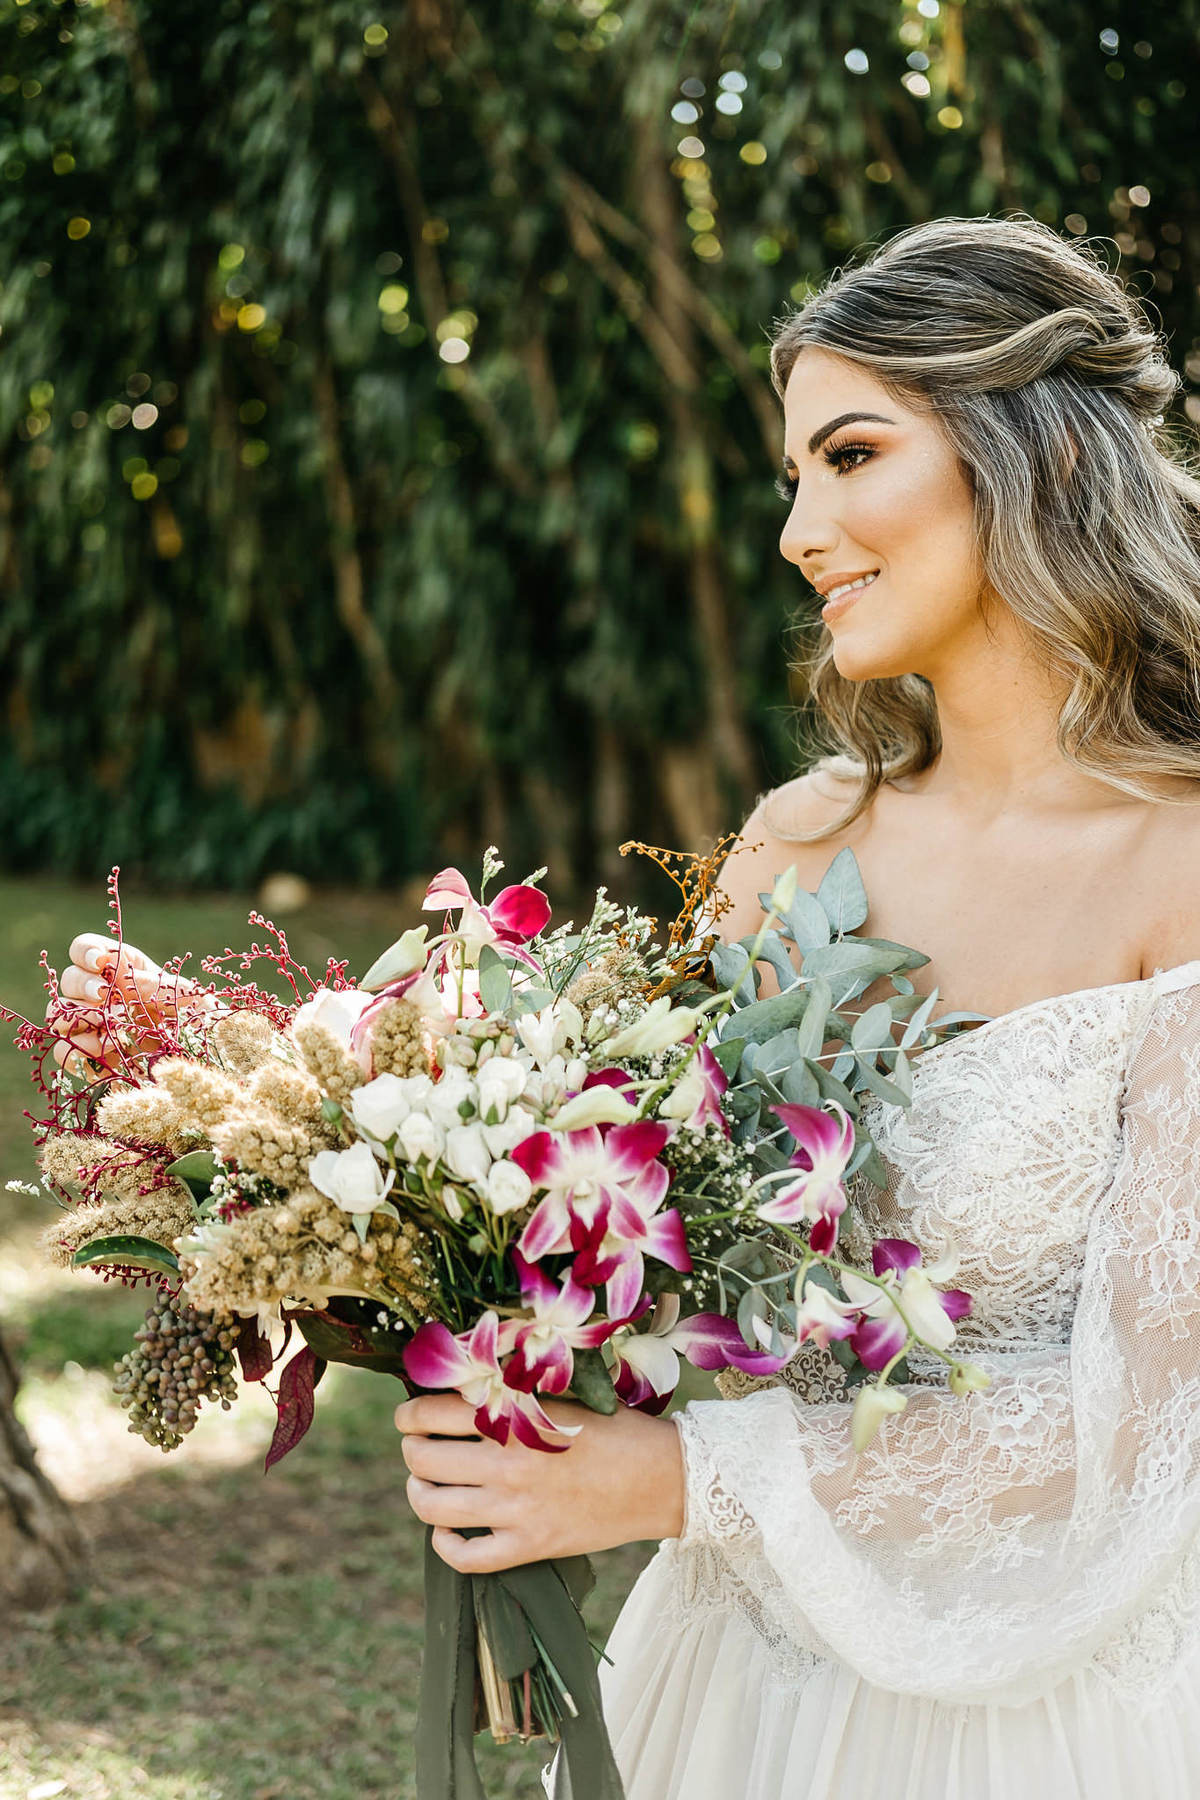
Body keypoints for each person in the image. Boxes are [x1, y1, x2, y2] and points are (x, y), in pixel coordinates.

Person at [53, 213, 1200, 1797]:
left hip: (1054, 1709)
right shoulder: (797, 847)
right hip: (743, 1677)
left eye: (852, 456)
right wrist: (374, 1201)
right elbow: (631, 1204)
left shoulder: (1181, 870)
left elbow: (1145, 1425)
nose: (799, 531)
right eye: (792, 476)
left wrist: (675, 1481)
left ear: (1045, 457)